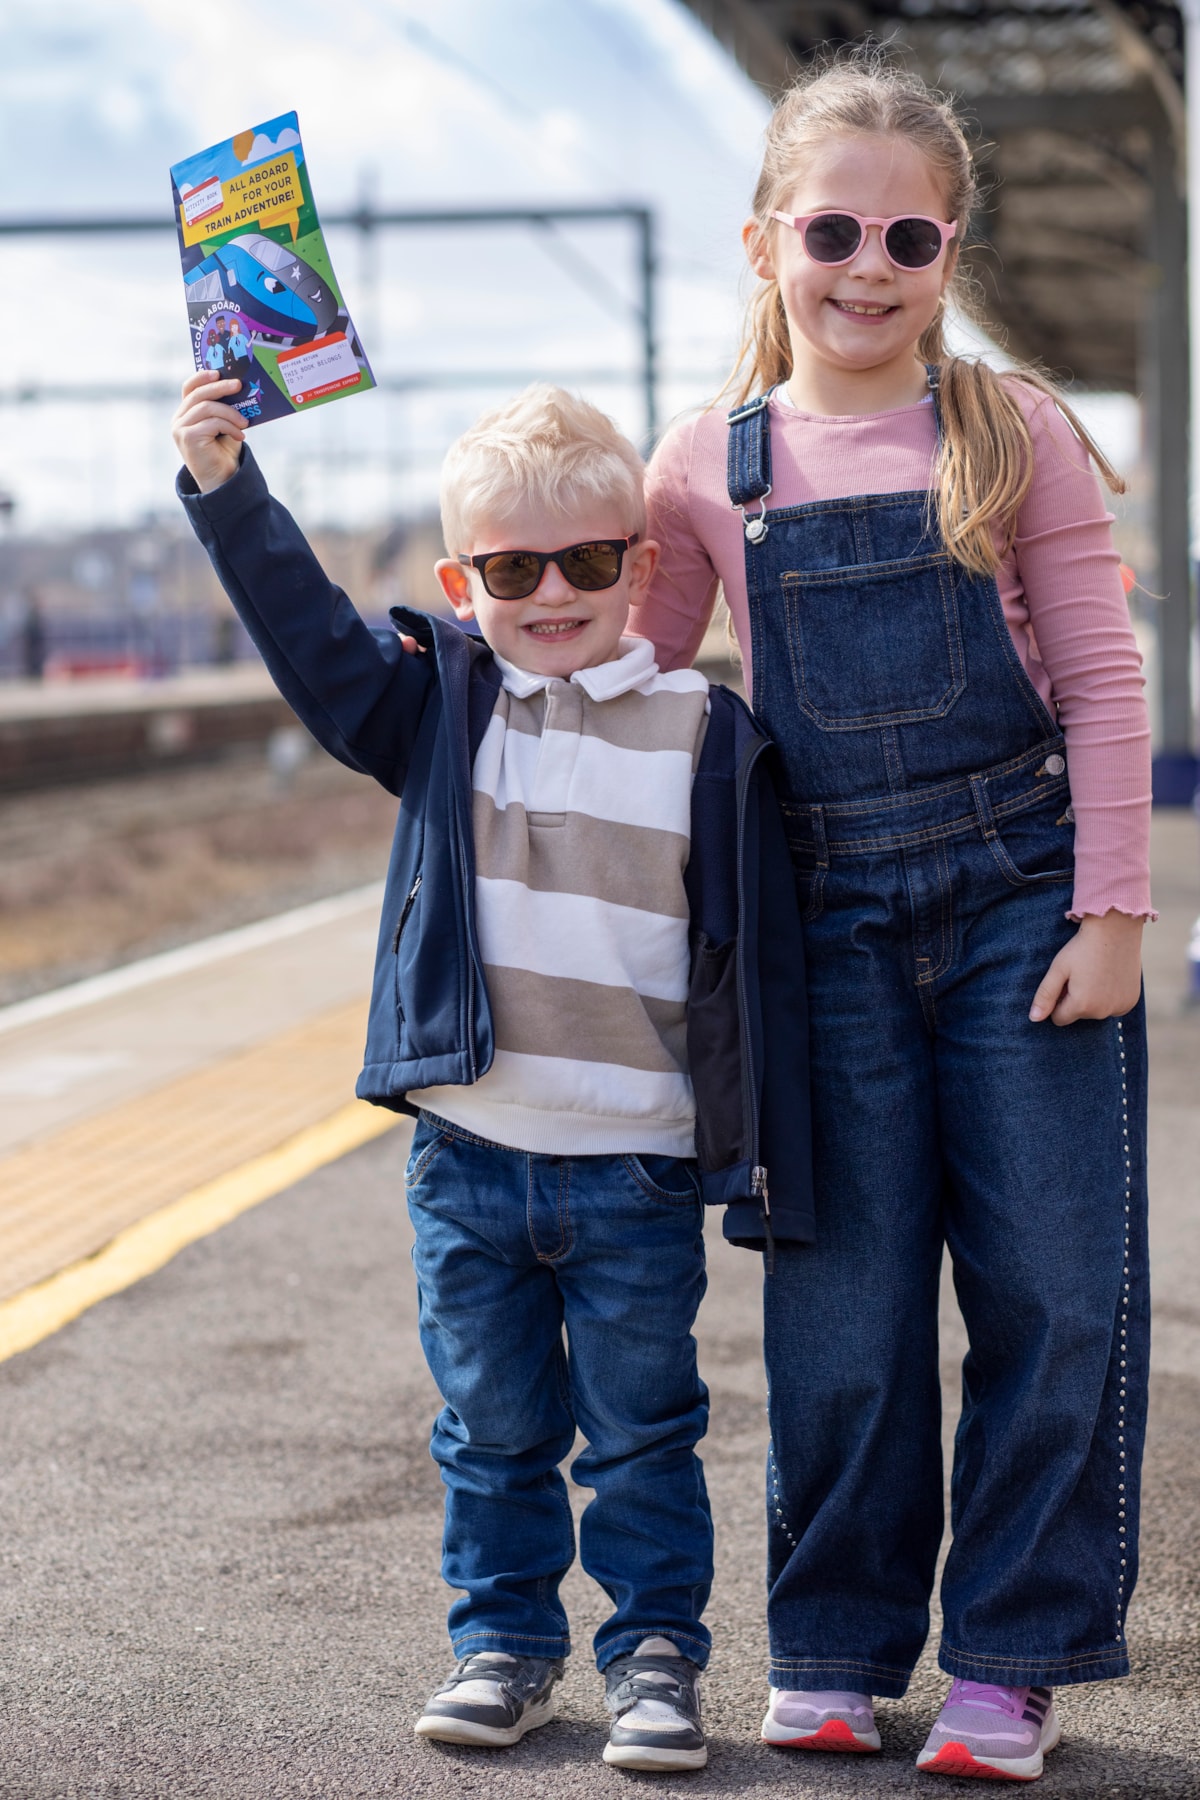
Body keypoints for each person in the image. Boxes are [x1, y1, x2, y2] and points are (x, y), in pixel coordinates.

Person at [629, 49, 1152, 1786]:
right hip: (824, 929)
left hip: (1022, 908)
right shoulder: (710, 457)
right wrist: (444, 635)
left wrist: (1116, 912)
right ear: (770, 238)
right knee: (841, 1318)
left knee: (1058, 1295)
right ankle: (839, 1644)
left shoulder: (1014, 429)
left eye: (908, 237)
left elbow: (1096, 684)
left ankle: (1012, 1655)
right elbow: (622, 668)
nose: (868, 267)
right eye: (833, 228)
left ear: (952, 251)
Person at [170, 373, 811, 1774]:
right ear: (465, 583)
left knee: (644, 1434)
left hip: (637, 1164)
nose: (555, 593)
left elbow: (757, 958)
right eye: (516, 568)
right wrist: (229, 487)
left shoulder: (706, 735)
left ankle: (653, 1660)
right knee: (494, 1430)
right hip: (468, 1158)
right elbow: (320, 648)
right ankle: (505, 1648)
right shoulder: (445, 716)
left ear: (642, 568)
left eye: (589, 561)